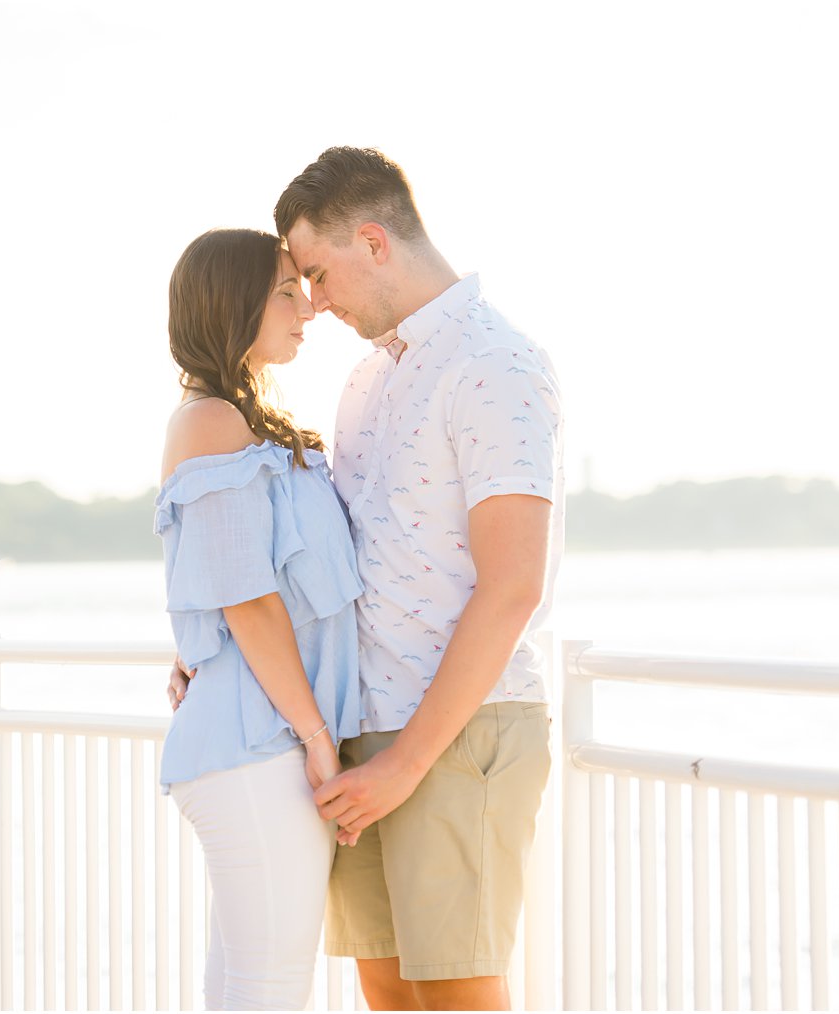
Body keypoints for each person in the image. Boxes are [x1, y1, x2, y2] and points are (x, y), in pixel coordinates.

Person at [173, 148, 566, 1011]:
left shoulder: (493, 364)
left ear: (375, 241)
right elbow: (318, 564)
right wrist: (214, 645)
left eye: (316, 271)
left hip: (457, 730)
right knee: (389, 997)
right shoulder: (364, 381)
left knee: (459, 995)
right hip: (365, 727)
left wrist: (410, 761)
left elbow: (513, 586)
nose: (312, 300)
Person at [155, 227, 365, 1010]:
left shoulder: (244, 421)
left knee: (251, 990)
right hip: (258, 745)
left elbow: (229, 580)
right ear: (231, 302)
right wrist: (318, 741)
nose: (306, 305)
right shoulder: (212, 422)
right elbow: (247, 598)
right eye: (285, 289)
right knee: (269, 992)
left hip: (262, 736)